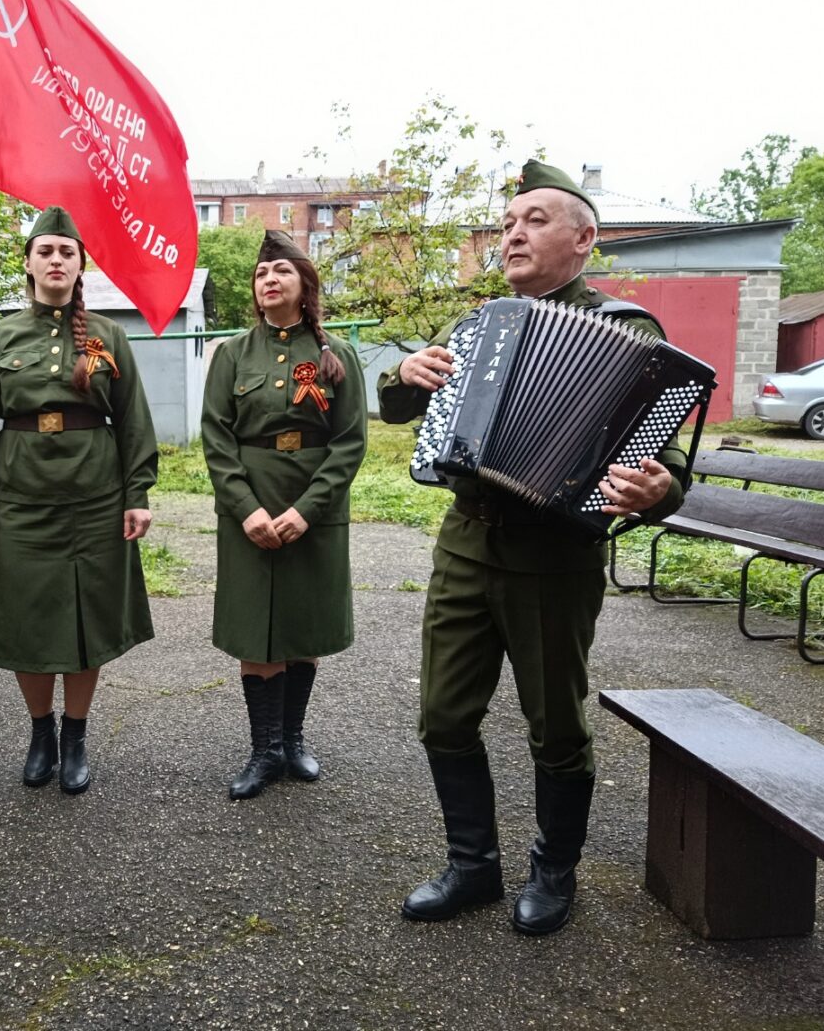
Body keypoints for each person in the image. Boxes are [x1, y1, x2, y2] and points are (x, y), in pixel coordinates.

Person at [377, 160, 690, 935]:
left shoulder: (627, 332)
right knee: (443, 717)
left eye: (535, 219)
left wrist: (658, 490)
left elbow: (666, 460)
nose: (513, 231)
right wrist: (404, 372)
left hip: (554, 560)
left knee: (554, 725)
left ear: (583, 240)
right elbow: (396, 405)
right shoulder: (477, 322)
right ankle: (471, 867)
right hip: (465, 544)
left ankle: (554, 872)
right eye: (508, 221)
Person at [0, 206, 158, 795]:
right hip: (23, 502)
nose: (55, 260)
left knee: (88, 619)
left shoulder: (108, 335)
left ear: (79, 267)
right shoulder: (0, 338)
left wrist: (136, 492)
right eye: (45, 251)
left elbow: (133, 421)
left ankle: (75, 735)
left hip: (95, 499)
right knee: (29, 619)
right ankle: (40, 731)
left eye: (66, 253)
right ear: (28, 263)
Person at [201, 230, 368, 801]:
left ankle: (293, 740)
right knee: (256, 628)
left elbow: (349, 443)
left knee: (303, 623)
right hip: (250, 505)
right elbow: (216, 440)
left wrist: (307, 510)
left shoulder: (336, 356)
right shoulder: (232, 354)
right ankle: (264, 750)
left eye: (282, 271)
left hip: (314, 509)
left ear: (304, 285)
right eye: (261, 273)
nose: (268, 280)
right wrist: (246, 511)